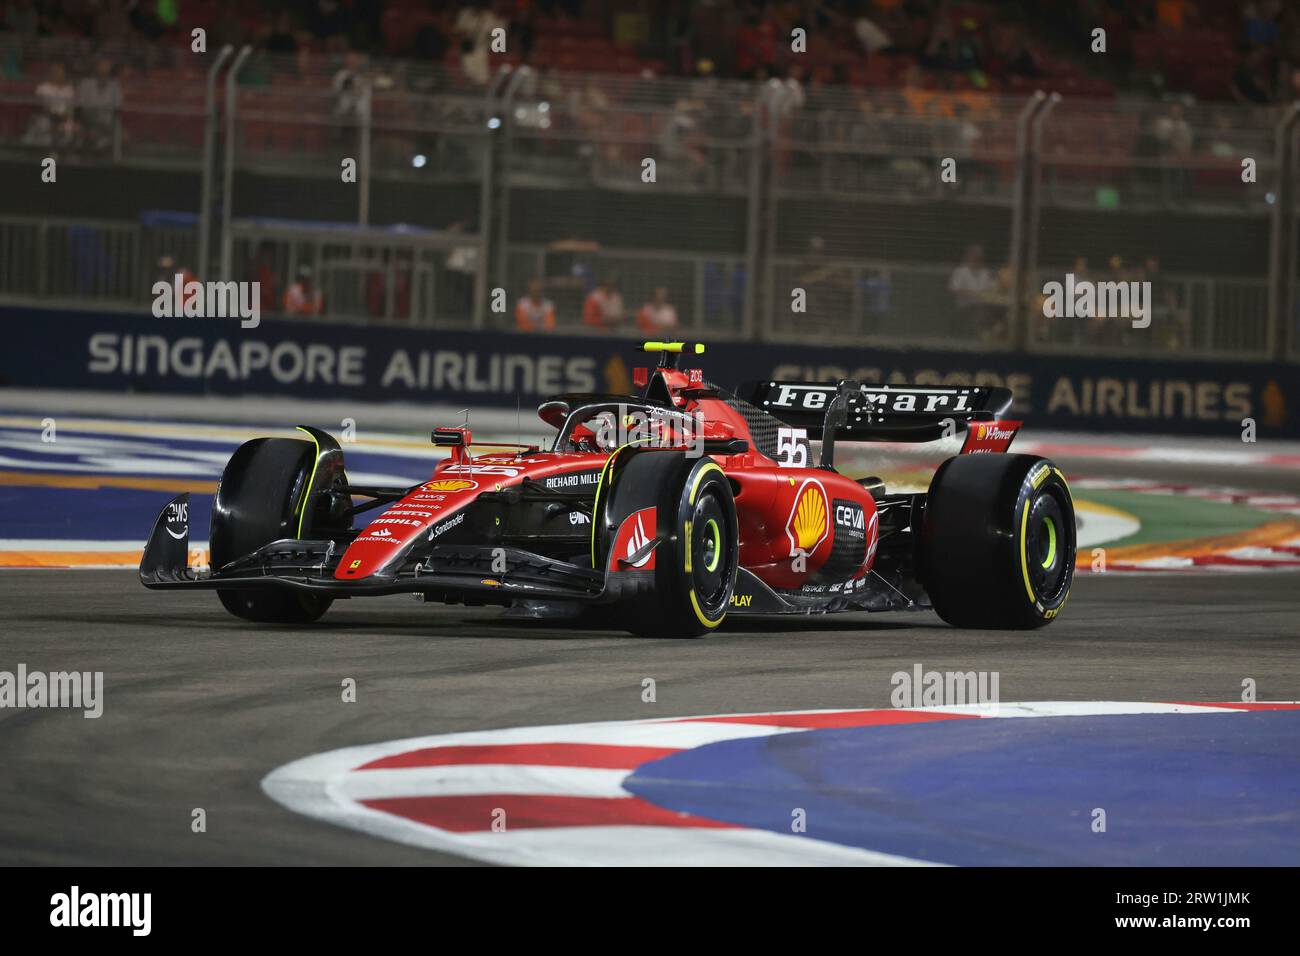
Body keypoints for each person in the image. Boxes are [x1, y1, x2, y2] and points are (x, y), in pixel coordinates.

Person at [76, 59, 121, 155]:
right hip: (88, 122)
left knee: (117, 137)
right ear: (96, 68)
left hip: (107, 125)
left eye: (107, 67)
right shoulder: (86, 83)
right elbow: (80, 107)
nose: (104, 69)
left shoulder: (115, 86)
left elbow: (117, 107)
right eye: (102, 66)